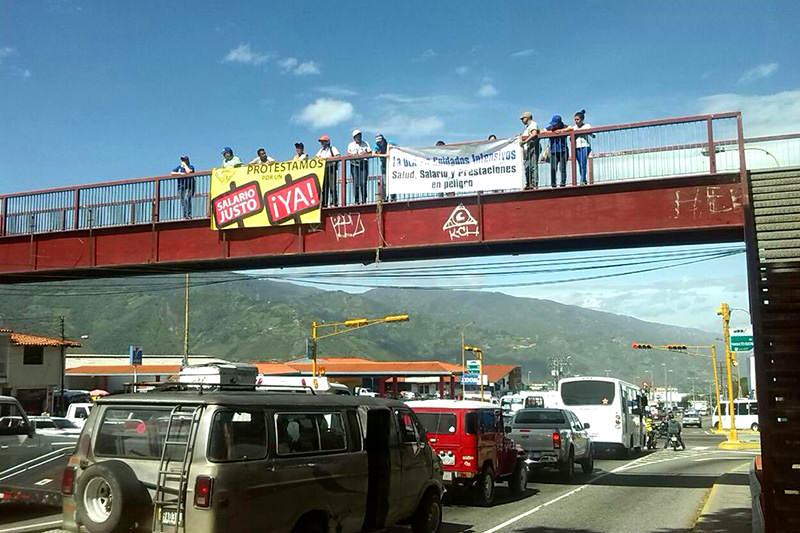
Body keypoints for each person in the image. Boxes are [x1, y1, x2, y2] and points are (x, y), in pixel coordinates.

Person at [565, 109, 594, 185]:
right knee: (579, 164)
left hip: (585, 146)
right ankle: (583, 179)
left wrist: (578, 133)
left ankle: (582, 179)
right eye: (575, 120)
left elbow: (591, 134)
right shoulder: (574, 127)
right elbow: (571, 138)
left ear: (582, 119)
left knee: (583, 163)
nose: (576, 121)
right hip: (576, 147)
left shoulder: (587, 125)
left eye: (577, 119)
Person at [347, 129, 372, 204]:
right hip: (354, 165)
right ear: (354, 137)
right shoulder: (350, 145)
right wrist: (354, 155)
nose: (359, 137)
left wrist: (364, 154)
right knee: (356, 183)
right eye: (357, 136)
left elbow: (370, 152)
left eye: (360, 135)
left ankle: (364, 200)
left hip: (363, 164)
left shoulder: (365, 143)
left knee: (363, 182)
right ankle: (356, 200)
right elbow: (348, 154)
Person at [315, 135, 340, 206]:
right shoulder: (320, 150)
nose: (322, 143)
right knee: (324, 187)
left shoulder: (332, 148)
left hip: (331, 168)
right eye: (321, 142)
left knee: (332, 187)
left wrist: (329, 159)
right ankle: (324, 204)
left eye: (323, 141)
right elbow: (315, 158)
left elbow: (338, 156)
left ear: (327, 142)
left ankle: (334, 203)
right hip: (323, 170)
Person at [544, 115, 568, 187]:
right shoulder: (551, 128)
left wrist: (561, 131)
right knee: (553, 168)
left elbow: (571, 128)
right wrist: (552, 132)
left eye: (555, 124)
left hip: (563, 150)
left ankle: (563, 183)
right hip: (553, 151)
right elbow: (543, 131)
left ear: (559, 123)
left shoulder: (564, 126)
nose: (553, 125)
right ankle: (553, 184)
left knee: (563, 168)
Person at [519, 111, 540, 189]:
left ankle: (534, 184)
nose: (522, 120)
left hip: (533, 147)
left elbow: (534, 134)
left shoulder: (533, 124)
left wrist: (525, 141)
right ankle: (529, 183)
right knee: (527, 166)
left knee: (533, 166)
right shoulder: (527, 127)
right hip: (528, 149)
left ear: (527, 118)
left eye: (523, 118)